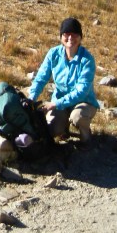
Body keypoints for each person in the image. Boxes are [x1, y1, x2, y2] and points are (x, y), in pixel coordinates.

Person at [29, 17, 98, 146]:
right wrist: (31, 99)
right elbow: (40, 78)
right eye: (66, 34)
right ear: (61, 37)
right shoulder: (53, 54)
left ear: (80, 37)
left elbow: (81, 92)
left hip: (84, 102)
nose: (70, 38)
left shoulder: (87, 60)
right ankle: (63, 130)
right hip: (60, 102)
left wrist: (55, 104)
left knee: (78, 117)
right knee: (52, 129)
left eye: (75, 34)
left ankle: (86, 139)